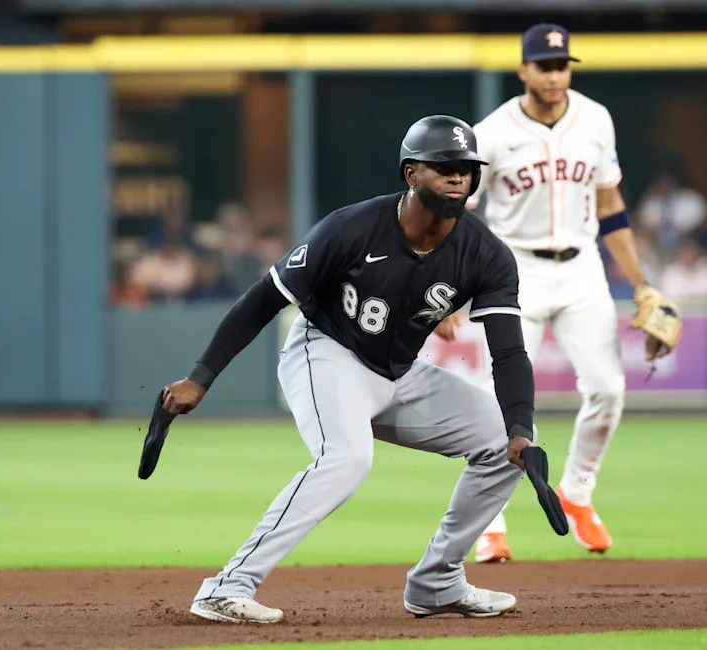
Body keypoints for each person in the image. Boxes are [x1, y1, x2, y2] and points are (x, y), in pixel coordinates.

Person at [157, 115, 539, 623]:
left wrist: (519, 429)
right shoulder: (352, 226)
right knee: (347, 459)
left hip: (400, 373)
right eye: (443, 167)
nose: (458, 177)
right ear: (410, 173)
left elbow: (509, 353)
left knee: (500, 443)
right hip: (327, 353)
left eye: (467, 168)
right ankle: (226, 587)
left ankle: (437, 583)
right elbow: (263, 299)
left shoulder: (486, 254)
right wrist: (201, 376)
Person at [436, 24, 675, 563]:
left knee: (609, 389)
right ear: (523, 70)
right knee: (497, 403)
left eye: (562, 64)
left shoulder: (595, 119)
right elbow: (455, 214)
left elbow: (611, 206)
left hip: (583, 266)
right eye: (543, 65)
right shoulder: (492, 132)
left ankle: (578, 494)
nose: (554, 74)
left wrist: (640, 283)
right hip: (512, 268)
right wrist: (446, 293)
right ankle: (489, 526)